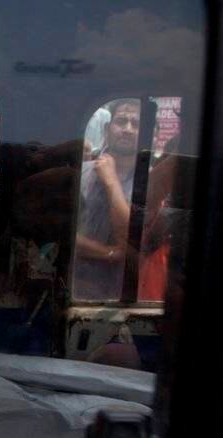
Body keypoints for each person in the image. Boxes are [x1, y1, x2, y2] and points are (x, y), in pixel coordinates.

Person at [73, 99, 140, 300]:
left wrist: (111, 182)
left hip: (122, 295)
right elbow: (61, 232)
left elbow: (134, 241)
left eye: (136, 124)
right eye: (121, 121)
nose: (127, 129)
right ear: (106, 129)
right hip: (75, 287)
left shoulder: (149, 182)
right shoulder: (81, 173)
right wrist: (108, 252)